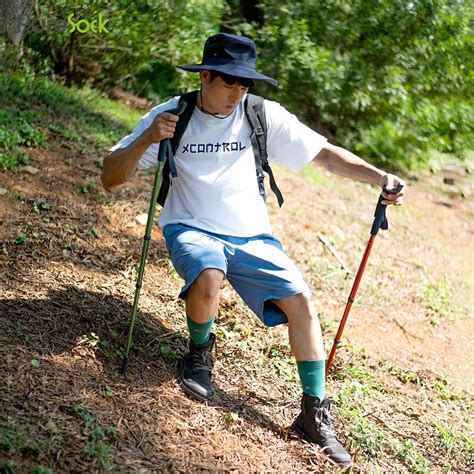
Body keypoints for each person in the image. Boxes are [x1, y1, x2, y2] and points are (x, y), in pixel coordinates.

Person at [101, 33, 405, 466]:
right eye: (229, 83)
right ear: (205, 75)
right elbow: (110, 176)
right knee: (209, 276)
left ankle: (312, 414)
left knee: (301, 301)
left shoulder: (262, 115)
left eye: (245, 85)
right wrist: (148, 137)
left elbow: (325, 155)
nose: (237, 94)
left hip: (252, 236)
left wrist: (380, 177)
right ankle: (200, 353)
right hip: (191, 227)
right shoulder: (172, 115)